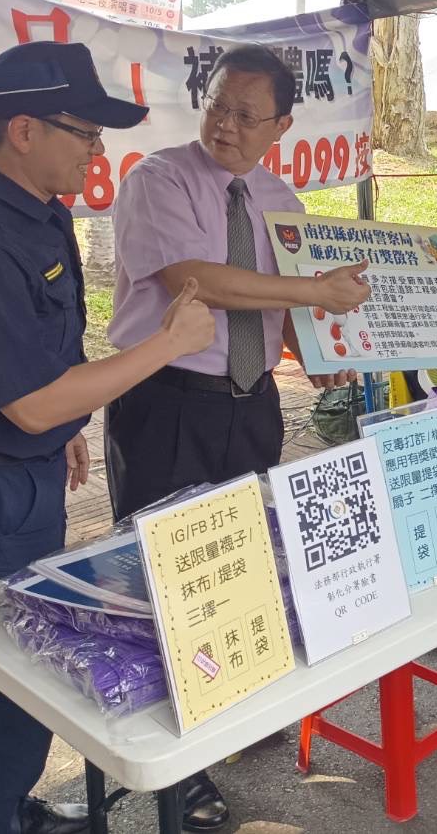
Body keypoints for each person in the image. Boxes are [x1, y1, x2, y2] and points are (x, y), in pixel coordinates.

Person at [0, 42, 217, 834]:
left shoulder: (35, 211)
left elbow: (43, 367)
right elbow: (32, 404)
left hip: (19, 475)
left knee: (22, 685)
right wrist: (166, 345)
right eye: (84, 132)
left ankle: (9, 811)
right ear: (23, 131)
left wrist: (66, 422)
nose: (96, 151)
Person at [105, 44, 369, 829]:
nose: (224, 124)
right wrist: (311, 292)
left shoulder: (279, 198)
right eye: (218, 106)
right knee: (163, 578)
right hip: (166, 403)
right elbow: (200, 281)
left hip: (250, 402)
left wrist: (315, 353)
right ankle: (178, 773)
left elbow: (276, 307)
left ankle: (229, 705)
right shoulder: (159, 180)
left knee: (236, 566)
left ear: (280, 126)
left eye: (245, 115)